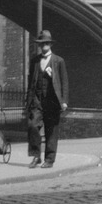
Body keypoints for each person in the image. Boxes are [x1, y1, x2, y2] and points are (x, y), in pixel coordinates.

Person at [26, 30, 69, 169]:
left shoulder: (58, 61)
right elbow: (30, 81)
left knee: (51, 130)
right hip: (37, 99)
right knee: (33, 125)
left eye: (46, 43)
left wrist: (64, 101)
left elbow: (64, 82)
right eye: (41, 43)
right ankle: (36, 156)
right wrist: (28, 100)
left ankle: (49, 159)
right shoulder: (34, 61)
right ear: (39, 45)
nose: (44, 45)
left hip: (52, 100)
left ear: (50, 44)